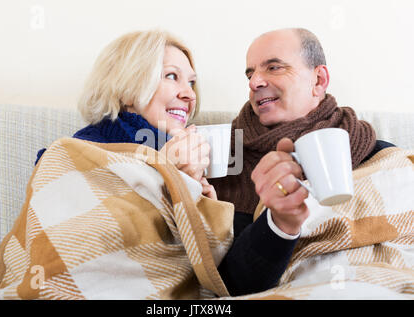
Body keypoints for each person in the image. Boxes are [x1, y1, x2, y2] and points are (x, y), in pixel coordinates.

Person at [34, 29, 297, 297]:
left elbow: (209, 272)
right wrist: (164, 177)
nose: (189, 95)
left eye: (192, 83)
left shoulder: (191, 159)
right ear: (127, 89)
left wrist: (193, 195)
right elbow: (81, 243)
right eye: (172, 76)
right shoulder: (74, 153)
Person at [210, 28, 395, 294]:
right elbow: (230, 285)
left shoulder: (379, 155)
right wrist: (280, 223)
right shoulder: (225, 164)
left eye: (273, 67)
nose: (254, 83)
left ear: (319, 80)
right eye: (250, 74)